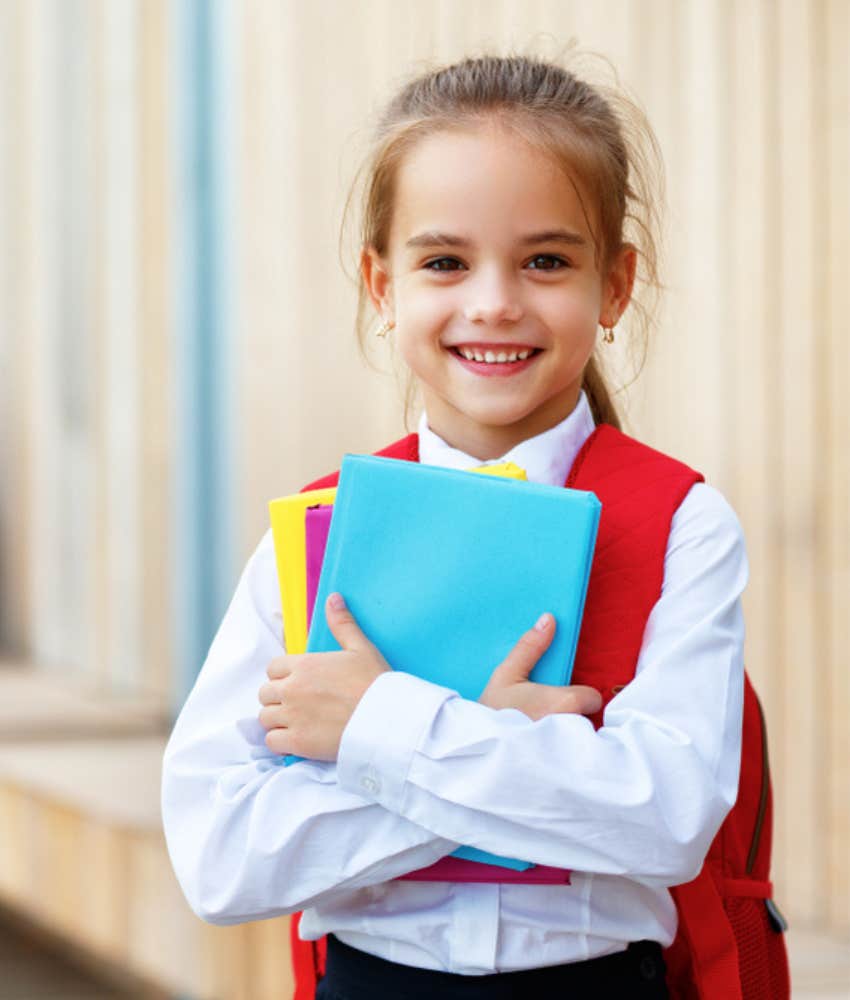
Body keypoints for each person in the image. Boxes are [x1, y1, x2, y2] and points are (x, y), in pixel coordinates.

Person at [161, 54, 753, 998]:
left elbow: (666, 821)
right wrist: (502, 750)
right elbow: (221, 857)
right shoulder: (314, 535)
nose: (493, 303)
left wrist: (381, 729)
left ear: (615, 285)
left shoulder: (683, 523)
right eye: (443, 261)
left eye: (546, 261)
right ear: (382, 283)